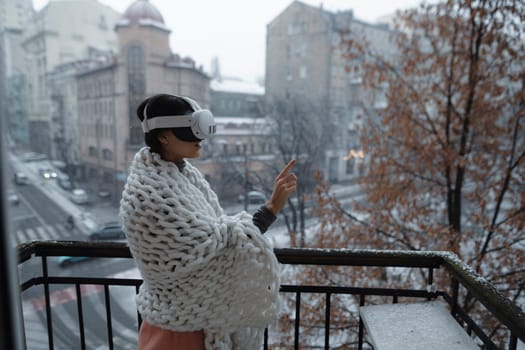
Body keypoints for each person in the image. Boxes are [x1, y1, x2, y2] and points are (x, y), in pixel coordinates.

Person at [119, 93, 297, 349]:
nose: (200, 138)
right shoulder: (148, 195)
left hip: (194, 323)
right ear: (163, 136)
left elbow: (217, 239)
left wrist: (269, 209)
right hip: (177, 333)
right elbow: (214, 249)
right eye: (188, 129)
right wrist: (270, 209)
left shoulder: (181, 175)